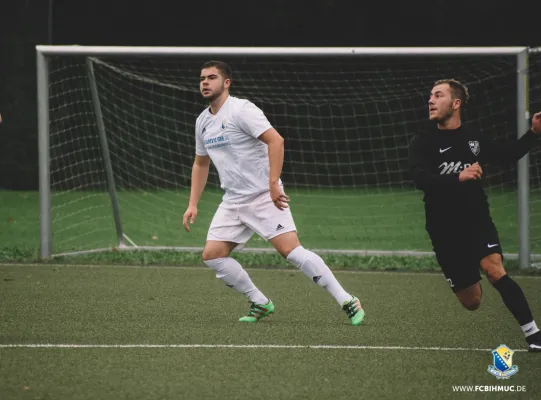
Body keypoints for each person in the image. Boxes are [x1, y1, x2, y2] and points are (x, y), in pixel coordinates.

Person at [182, 60, 364, 325]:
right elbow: (200, 163)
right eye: (202, 79)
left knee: (292, 252)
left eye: (211, 78)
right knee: (212, 255)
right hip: (232, 200)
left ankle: (347, 299)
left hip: (262, 196)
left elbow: (275, 140)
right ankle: (260, 302)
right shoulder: (202, 122)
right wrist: (192, 204)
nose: (205, 83)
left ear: (227, 83)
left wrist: (273, 183)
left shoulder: (242, 110)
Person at [409, 78, 541, 352]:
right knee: (472, 301)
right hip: (443, 227)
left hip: (476, 218)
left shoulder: (474, 139)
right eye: (430, 96)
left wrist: (534, 133)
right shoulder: (423, 141)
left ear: (456, 103)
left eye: (438, 95)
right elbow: (421, 179)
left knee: (494, 269)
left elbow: (507, 155)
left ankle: (533, 335)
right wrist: (459, 176)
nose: (431, 101)